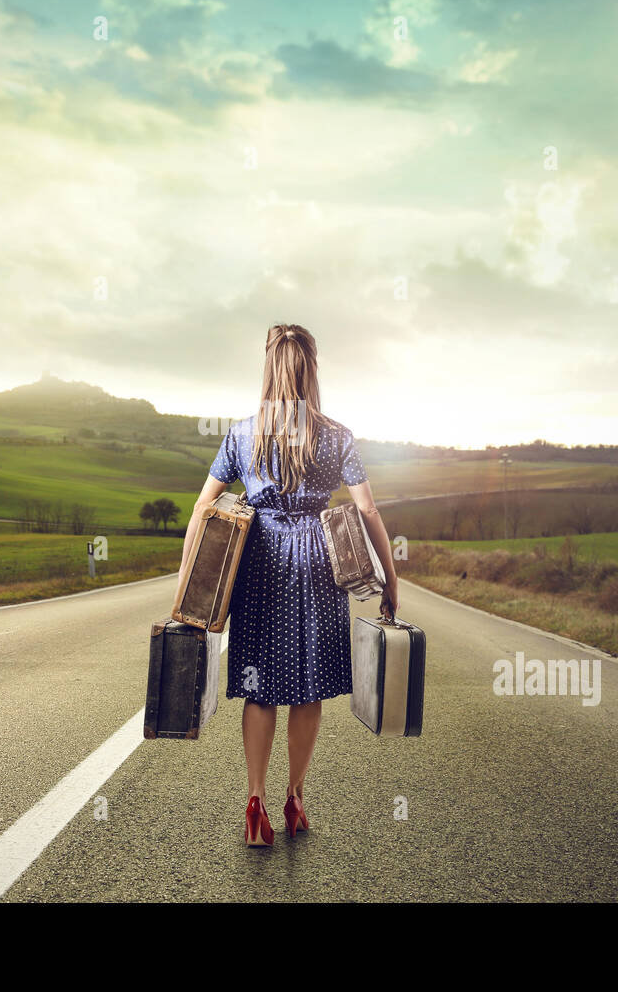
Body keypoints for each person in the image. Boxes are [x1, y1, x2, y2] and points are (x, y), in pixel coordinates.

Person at [173, 323, 399, 847]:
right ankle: (294, 798)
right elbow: (366, 509)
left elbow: (203, 508)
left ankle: (255, 802)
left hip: (260, 564)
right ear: (312, 368)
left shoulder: (242, 432)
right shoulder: (338, 435)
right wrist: (391, 578)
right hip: (318, 564)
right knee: (309, 685)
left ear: (268, 367)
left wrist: (185, 585)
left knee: (260, 686)